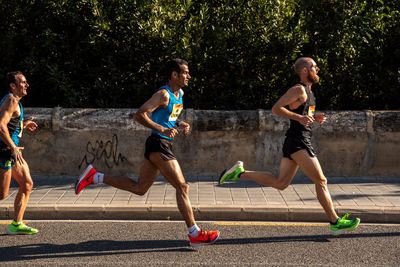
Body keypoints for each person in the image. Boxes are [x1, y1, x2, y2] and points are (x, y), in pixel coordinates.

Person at [75, 58, 220, 246]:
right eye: (185, 72)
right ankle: (194, 233)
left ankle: (95, 177)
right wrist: (162, 129)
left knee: (140, 189)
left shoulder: (180, 94)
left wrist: (177, 123)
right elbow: (140, 114)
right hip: (159, 143)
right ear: (174, 74)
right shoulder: (163, 94)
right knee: (182, 187)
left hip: (162, 143)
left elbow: (167, 116)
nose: (188, 76)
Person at [219, 57, 360, 233]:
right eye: (313, 67)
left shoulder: (309, 92)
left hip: (297, 139)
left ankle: (240, 173)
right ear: (304, 71)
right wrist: (299, 118)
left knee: (281, 183)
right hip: (298, 141)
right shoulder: (298, 89)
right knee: (321, 180)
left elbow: (301, 114)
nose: (317, 69)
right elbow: (276, 108)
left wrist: (314, 118)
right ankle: (334, 221)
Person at [0, 71, 38, 234]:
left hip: (13, 153)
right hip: (5, 151)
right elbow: (0, 126)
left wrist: (24, 124)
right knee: (1, 194)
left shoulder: (16, 102)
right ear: (13, 86)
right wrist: (13, 147)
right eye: (23, 82)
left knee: (27, 183)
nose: (27, 85)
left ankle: (16, 224)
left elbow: (10, 126)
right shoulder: (11, 100)